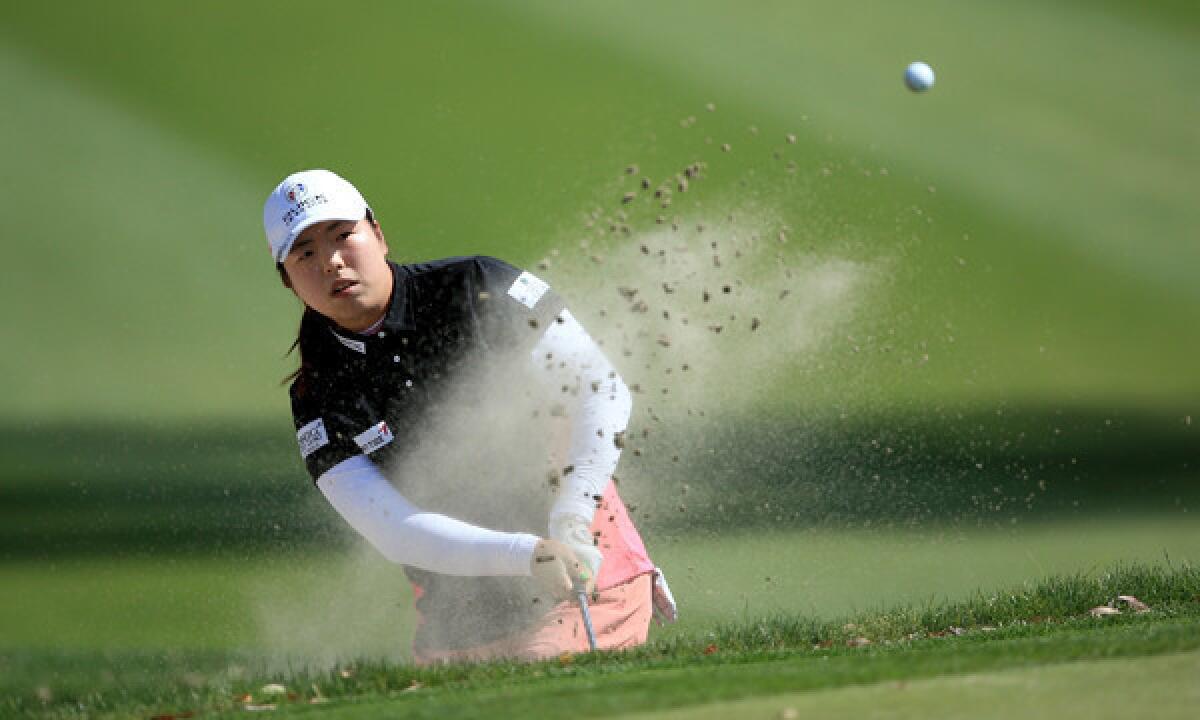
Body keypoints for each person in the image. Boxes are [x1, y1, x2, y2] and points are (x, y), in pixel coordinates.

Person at [262, 169, 676, 663]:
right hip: (457, 612)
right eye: (305, 252)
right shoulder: (318, 394)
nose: (331, 261)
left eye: (342, 235)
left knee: (539, 686)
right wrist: (526, 554)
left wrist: (571, 516)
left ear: (378, 233)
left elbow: (600, 390)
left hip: (583, 567)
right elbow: (394, 528)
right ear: (287, 280)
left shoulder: (477, 287)